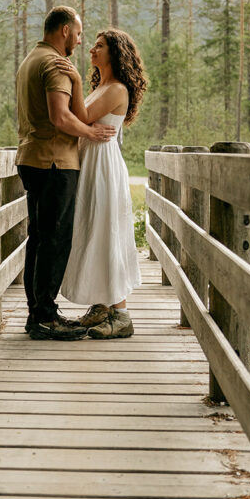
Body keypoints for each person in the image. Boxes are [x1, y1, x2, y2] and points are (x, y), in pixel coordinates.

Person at [16, 6, 116, 340]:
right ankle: (46, 317)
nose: (79, 39)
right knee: (55, 240)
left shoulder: (32, 59)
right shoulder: (55, 64)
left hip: (32, 157)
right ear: (64, 30)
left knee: (40, 238)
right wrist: (90, 133)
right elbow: (61, 118)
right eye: (78, 32)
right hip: (54, 161)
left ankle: (37, 314)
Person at [57, 28, 147, 339]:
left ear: (114, 53)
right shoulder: (103, 85)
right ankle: (102, 305)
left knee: (107, 231)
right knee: (92, 228)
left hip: (104, 166)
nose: (91, 50)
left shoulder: (117, 89)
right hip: (91, 161)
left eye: (98, 46)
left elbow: (79, 114)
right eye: (93, 45)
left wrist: (74, 81)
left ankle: (121, 314)